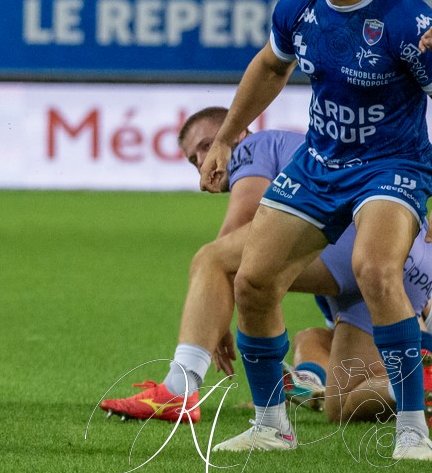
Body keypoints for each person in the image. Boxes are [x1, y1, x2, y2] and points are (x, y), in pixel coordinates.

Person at [199, 0, 432, 459]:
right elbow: (271, 66)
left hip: (391, 166)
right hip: (321, 161)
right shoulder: (299, 4)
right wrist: (228, 136)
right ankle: (272, 426)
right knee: (252, 282)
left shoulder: (406, 20)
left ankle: (412, 429)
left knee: (375, 269)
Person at [99, 107, 432, 425]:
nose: (202, 161)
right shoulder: (292, 148)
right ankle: (422, 386)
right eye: (193, 159)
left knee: (211, 258)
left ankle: (178, 390)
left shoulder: (251, 146)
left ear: (235, 132)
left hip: (352, 236)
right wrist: (215, 304)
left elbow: (245, 225)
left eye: (206, 146)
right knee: (342, 404)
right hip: (410, 262)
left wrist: (213, 304)